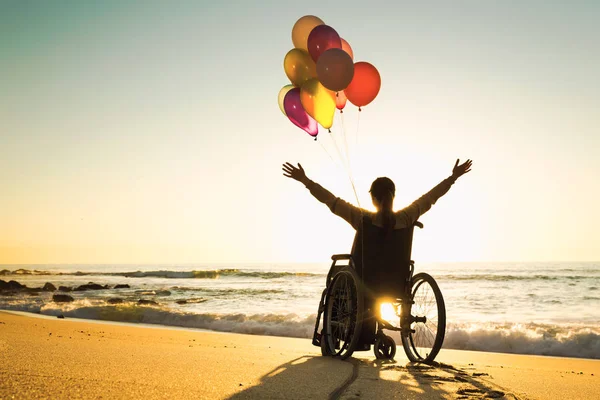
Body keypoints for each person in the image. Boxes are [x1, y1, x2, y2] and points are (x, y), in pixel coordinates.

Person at [282, 158, 472, 346]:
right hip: (396, 284)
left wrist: (305, 181)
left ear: (373, 198)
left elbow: (330, 200)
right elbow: (431, 197)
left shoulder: (362, 218)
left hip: (363, 284)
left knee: (338, 277)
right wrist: (453, 177)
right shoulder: (406, 218)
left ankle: (336, 335)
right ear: (393, 196)